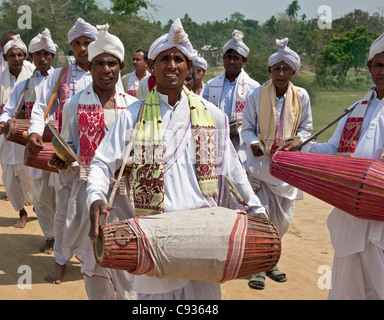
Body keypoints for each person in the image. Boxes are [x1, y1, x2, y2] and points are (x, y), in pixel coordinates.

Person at [86, 18, 267, 300]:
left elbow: (232, 170)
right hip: (155, 235)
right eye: (164, 59)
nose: (172, 65)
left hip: (204, 235)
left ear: (189, 67)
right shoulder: (132, 117)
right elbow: (101, 163)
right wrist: (96, 196)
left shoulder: (213, 115)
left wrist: (256, 208)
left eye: (179, 59)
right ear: (152, 66)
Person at [290, 33, 384, 300]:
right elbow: (333, 152)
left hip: (381, 222)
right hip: (351, 218)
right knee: (347, 290)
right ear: (369, 68)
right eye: (379, 65)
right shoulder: (357, 109)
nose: (383, 71)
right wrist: (303, 146)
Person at [48, 23, 138, 300]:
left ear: (121, 66)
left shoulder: (135, 106)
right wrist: (62, 159)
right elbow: (69, 145)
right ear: (91, 67)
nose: (105, 69)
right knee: (94, 261)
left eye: (111, 63)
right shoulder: (74, 104)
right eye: (99, 63)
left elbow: (142, 150)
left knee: (126, 262)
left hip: (126, 195)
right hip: (88, 195)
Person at [28, 17, 98, 284]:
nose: (83, 48)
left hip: (99, 157)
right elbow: (39, 107)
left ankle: (96, 257)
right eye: (77, 43)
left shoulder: (106, 72)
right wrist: (35, 131)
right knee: (64, 213)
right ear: (71, 46)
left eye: (88, 43)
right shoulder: (59, 75)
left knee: (98, 207)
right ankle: (60, 260)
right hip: (65, 156)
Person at [241, 38, 313, 290]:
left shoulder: (301, 95)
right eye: (277, 68)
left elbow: (306, 128)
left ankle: (270, 262)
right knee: (260, 219)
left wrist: (297, 141)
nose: (281, 73)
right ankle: (257, 268)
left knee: (281, 222)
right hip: (259, 168)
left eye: (286, 69)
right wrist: (252, 143)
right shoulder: (256, 94)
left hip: (287, 170)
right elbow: (247, 127)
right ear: (270, 71)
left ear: (293, 71)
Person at [0, 29, 57, 253]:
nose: (42, 58)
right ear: (31, 56)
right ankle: (51, 236)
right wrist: (3, 122)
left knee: (62, 195)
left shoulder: (62, 79)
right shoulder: (25, 85)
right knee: (41, 194)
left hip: (60, 145)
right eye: (37, 54)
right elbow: (8, 109)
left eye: (46, 53)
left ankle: (65, 238)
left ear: (52, 55)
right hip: (35, 146)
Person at [0, 34, 34, 228]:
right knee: (9, 177)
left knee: (30, 176)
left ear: (25, 56)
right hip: (6, 136)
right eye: (12, 55)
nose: (17, 59)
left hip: (28, 135)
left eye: (20, 54)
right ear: (6, 58)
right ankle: (21, 212)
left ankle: (36, 207)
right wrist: (5, 123)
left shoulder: (32, 76)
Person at [203, 30, 260, 159]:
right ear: (223, 58)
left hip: (242, 145)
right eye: (228, 57)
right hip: (215, 142)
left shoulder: (253, 87)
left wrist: (237, 131)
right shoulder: (211, 85)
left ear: (244, 60)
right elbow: (203, 114)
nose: (231, 62)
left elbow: (257, 120)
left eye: (236, 58)